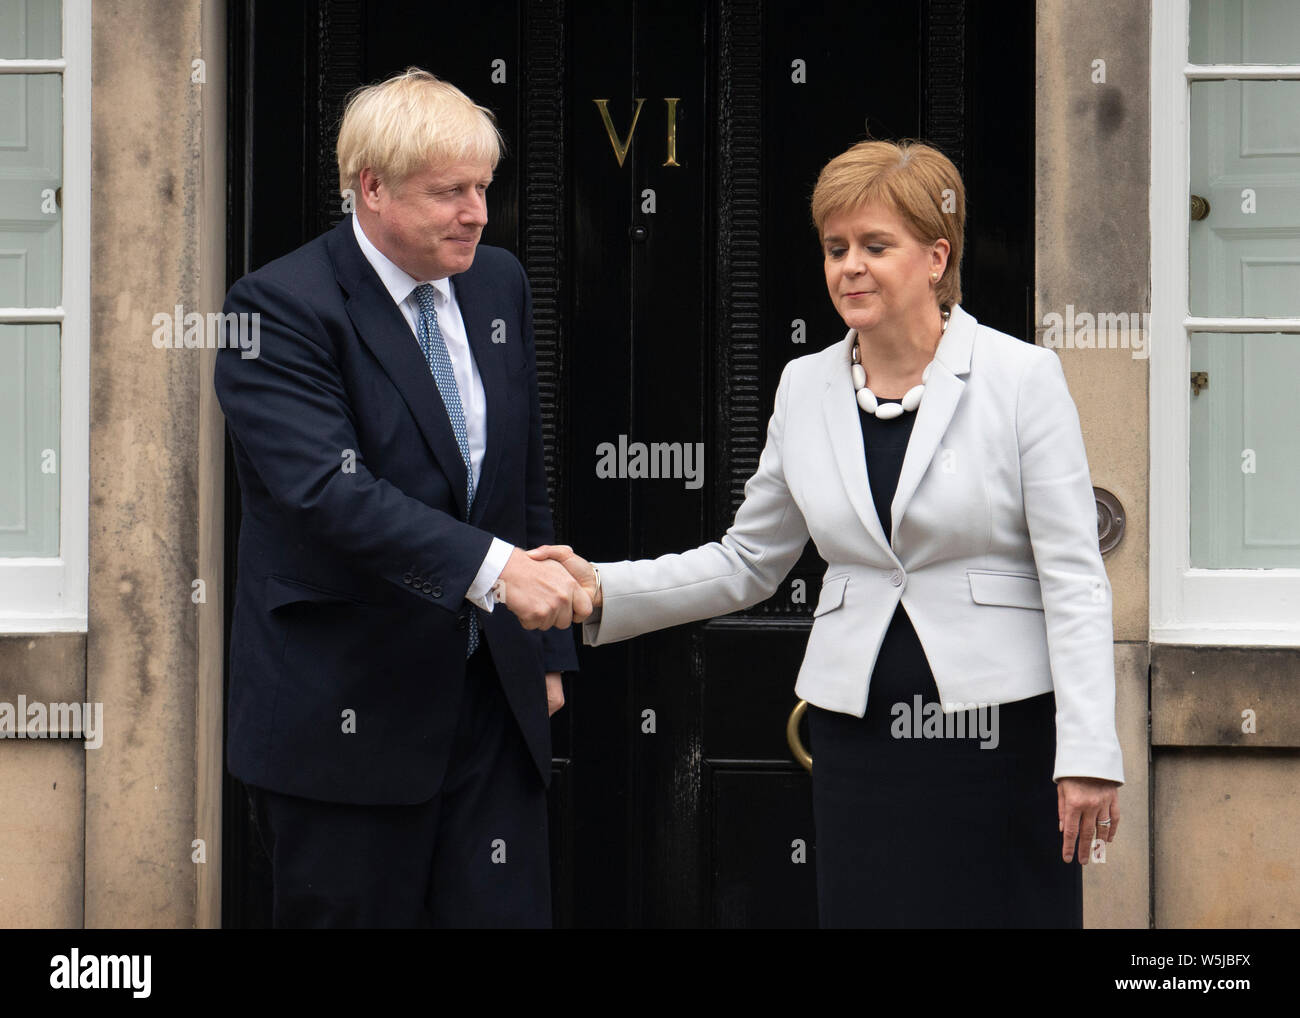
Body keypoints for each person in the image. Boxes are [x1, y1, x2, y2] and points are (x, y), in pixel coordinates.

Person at [531, 139, 1124, 928]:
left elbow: (1074, 576)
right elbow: (748, 562)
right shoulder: (803, 385)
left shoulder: (1022, 379)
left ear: (935, 257)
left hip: (998, 734)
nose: (850, 266)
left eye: (876, 246)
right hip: (860, 732)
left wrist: (1088, 752)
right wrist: (601, 588)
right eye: (836, 247)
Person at [214, 68, 590, 928]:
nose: (477, 212)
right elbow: (329, 494)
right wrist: (498, 572)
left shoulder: (497, 283)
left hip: (493, 702)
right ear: (372, 188)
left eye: (483, 188)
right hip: (345, 715)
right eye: (449, 192)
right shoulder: (276, 308)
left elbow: (518, 474)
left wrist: (548, 649)